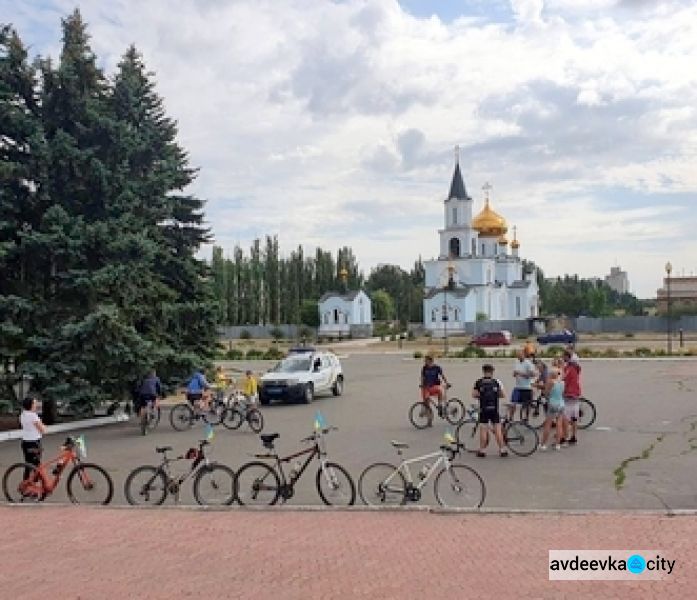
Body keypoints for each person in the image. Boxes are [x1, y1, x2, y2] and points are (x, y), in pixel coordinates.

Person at [472, 364, 508, 458]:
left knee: (483, 429)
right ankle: (502, 449)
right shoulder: (496, 382)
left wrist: (482, 396)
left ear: (483, 371)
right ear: (492, 372)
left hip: (483, 409)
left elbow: (474, 394)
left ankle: (482, 450)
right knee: (498, 430)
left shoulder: (479, 382)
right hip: (494, 409)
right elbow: (503, 394)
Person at [539, 361, 565, 451]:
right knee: (559, 424)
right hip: (561, 403)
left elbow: (546, 393)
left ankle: (543, 444)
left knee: (548, 424)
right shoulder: (561, 382)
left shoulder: (550, 382)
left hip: (553, 403)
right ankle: (558, 444)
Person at [20, 395, 47, 480]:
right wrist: (42, 425)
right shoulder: (33, 416)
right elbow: (42, 429)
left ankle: (26, 485)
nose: (36, 405)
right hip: (34, 443)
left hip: (25, 442)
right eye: (35, 403)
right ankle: (35, 487)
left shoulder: (23, 414)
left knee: (28, 464)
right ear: (31, 405)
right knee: (36, 466)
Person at [419, 354, 450, 425]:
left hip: (435, 386)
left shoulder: (437, 368)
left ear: (430, 361)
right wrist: (421, 384)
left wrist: (447, 383)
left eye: (426, 361)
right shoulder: (424, 368)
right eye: (425, 361)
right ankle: (429, 420)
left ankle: (440, 405)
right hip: (426, 387)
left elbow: (442, 376)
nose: (425, 362)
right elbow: (422, 377)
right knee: (426, 403)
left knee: (439, 390)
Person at [562, 350, 582, 445]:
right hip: (576, 393)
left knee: (565, 416)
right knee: (574, 417)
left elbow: (564, 380)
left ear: (568, 357)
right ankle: (574, 436)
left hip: (569, 393)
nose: (563, 358)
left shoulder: (569, 368)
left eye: (564, 356)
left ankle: (565, 437)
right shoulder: (577, 368)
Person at [510, 350, 535, 420]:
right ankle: (510, 418)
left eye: (519, 355)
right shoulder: (516, 362)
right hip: (517, 386)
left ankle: (526, 418)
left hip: (526, 387)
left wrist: (520, 373)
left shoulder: (528, 363)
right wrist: (514, 374)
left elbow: (531, 374)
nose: (518, 357)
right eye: (517, 355)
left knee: (526, 405)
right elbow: (514, 373)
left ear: (523, 355)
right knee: (513, 403)